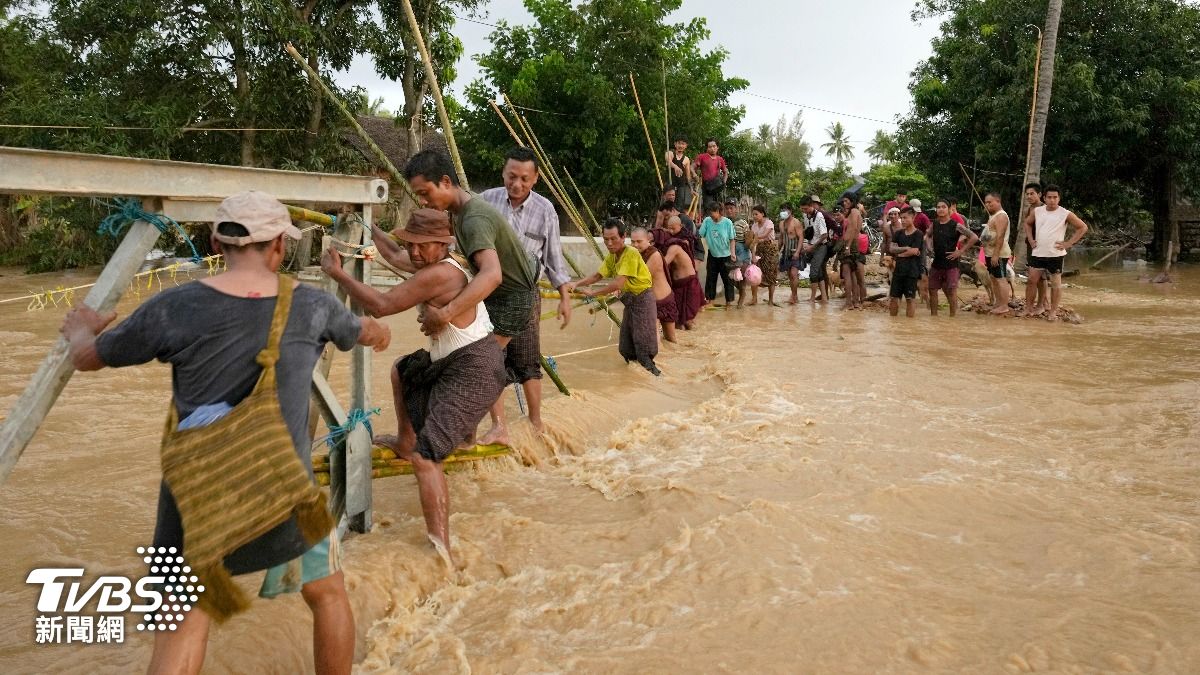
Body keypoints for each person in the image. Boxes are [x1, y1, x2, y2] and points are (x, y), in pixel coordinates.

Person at [61, 191, 392, 675]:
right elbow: (364, 331)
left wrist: (82, 328)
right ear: (280, 246)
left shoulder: (173, 307)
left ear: (217, 242)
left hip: (197, 502)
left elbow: (88, 358)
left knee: (183, 623)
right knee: (326, 595)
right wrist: (377, 332)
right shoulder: (312, 306)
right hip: (285, 493)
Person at [323, 209, 506, 564]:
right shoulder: (434, 261)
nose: (415, 253)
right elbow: (393, 255)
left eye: (423, 246)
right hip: (456, 361)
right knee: (404, 370)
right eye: (413, 245)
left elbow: (381, 304)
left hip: (474, 368)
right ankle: (409, 440)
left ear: (444, 244)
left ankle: (442, 551)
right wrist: (367, 225)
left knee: (427, 459)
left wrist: (337, 273)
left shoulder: (440, 273)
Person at [376, 150, 539, 448]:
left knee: (482, 363)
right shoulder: (457, 213)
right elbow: (405, 259)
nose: (423, 201)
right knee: (482, 361)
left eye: (425, 193)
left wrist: (447, 312)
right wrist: (371, 231)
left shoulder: (473, 217)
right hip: (496, 294)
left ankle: (495, 428)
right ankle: (471, 432)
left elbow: (491, 275)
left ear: (446, 182)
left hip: (510, 298)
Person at [478, 146, 573, 443]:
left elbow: (554, 259)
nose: (516, 185)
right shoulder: (485, 202)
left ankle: (536, 422)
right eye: (511, 177)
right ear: (503, 173)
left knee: (529, 361)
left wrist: (565, 297)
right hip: (490, 293)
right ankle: (499, 427)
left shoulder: (545, 210)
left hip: (527, 295)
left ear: (536, 179)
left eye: (524, 179)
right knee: (490, 357)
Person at [572, 219, 661, 374]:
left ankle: (656, 378)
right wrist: (575, 284)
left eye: (613, 239)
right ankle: (633, 385)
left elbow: (618, 284)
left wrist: (593, 294)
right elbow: (597, 276)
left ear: (623, 237)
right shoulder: (612, 256)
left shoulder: (631, 253)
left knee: (644, 350)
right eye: (606, 239)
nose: (609, 243)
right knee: (626, 348)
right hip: (630, 302)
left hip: (643, 301)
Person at [1020, 185, 1089, 321]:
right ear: (1044, 198)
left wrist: (1068, 243)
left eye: (1055, 197)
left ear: (1059, 198)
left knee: (1056, 284)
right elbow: (1027, 224)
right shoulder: (1037, 211)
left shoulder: (1065, 213)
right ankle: (1028, 308)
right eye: (1049, 197)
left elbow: (1082, 227)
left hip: (1056, 254)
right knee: (1031, 281)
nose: (1052, 200)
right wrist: (1031, 239)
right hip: (1038, 252)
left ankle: (1052, 312)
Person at [925, 197, 979, 316]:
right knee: (932, 290)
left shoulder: (956, 225)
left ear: (949, 209)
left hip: (951, 263)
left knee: (952, 291)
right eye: (938, 207)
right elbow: (927, 236)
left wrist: (960, 251)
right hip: (937, 262)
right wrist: (929, 248)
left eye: (943, 207)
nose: (940, 209)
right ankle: (934, 317)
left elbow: (974, 237)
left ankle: (952, 318)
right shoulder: (934, 224)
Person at [631, 226, 677, 343]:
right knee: (654, 339)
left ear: (648, 241)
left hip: (665, 300)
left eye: (639, 241)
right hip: (651, 303)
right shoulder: (635, 254)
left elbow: (640, 279)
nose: (635, 245)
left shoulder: (654, 255)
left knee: (671, 339)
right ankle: (658, 360)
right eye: (632, 241)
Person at [661, 215, 705, 330]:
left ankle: (693, 344)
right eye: (668, 229)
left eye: (673, 229)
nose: (671, 231)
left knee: (688, 321)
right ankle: (680, 346)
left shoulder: (680, 242)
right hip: (678, 286)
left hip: (688, 283)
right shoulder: (671, 241)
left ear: (680, 226)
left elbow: (663, 264)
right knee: (677, 321)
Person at [888, 205, 924, 317]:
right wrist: (905, 248)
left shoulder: (918, 234)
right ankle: (893, 322)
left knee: (910, 298)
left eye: (905, 218)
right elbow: (891, 249)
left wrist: (900, 254)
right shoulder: (898, 233)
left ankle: (910, 324)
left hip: (912, 271)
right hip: (898, 270)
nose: (902, 220)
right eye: (901, 218)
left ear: (913, 218)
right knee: (893, 298)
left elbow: (914, 251)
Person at [699, 200, 737, 306]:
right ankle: (710, 300)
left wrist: (733, 253)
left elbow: (732, 239)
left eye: (713, 213)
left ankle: (728, 302)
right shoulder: (707, 221)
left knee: (727, 280)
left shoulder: (727, 223)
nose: (711, 216)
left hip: (726, 256)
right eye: (709, 214)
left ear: (719, 211)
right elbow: (701, 234)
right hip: (713, 255)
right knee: (710, 279)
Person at [980, 191, 1012, 314]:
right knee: (993, 278)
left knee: (1001, 278)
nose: (987, 205)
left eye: (990, 202)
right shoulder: (993, 215)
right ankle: (998, 303)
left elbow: (1000, 236)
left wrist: (996, 254)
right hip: (989, 252)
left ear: (998, 201)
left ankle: (1004, 305)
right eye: (986, 202)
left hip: (998, 253)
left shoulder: (1001, 216)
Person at [1021, 182, 1048, 313]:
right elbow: (1027, 226)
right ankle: (1032, 305)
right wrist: (1031, 241)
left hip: (1042, 247)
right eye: (1027, 194)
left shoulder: (1045, 208)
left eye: (1032, 193)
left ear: (1040, 194)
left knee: (1040, 277)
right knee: (1034, 278)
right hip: (1031, 246)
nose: (1029, 196)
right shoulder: (1030, 209)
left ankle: (1041, 304)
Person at [837, 194, 866, 309]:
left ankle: (850, 302)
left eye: (847, 201)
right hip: (852, 244)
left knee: (848, 274)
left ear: (852, 201)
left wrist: (847, 246)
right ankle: (856, 302)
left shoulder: (854, 211)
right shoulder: (853, 212)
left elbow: (854, 228)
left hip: (850, 244)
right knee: (853, 275)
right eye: (844, 201)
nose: (845, 203)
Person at [800, 195, 830, 303]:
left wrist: (812, 246)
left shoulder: (820, 216)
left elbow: (824, 235)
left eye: (806, 208)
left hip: (821, 246)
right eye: (802, 209)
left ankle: (812, 298)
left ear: (812, 205)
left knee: (813, 272)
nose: (804, 211)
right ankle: (824, 298)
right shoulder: (805, 216)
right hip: (811, 245)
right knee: (819, 272)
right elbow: (808, 230)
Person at [749, 204, 778, 306]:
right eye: (753, 214)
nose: (754, 216)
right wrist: (753, 256)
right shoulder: (754, 226)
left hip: (770, 251)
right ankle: (754, 299)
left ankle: (770, 300)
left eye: (756, 214)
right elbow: (753, 243)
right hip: (758, 250)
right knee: (754, 275)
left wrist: (754, 238)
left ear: (762, 213)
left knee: (771, 275)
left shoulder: (769, 223)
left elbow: (765, 235)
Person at [725, 198, 752, 307]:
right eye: (727, 208)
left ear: (736, 209)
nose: (729, 210)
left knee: (741, 276)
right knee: (731, 277)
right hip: (729, 250)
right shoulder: (725, 222)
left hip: (742, 250)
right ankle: (740, 293)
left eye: (731, 208)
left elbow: (749, 238)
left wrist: (751, 252)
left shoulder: (742, 222)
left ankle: (742, 296)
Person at [777, 203, 804, 304]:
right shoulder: (781, 224)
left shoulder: (796, 222)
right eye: (782, 210)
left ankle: (794, 295)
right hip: (786, 252)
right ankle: (793, 294)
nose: (783, 212)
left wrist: (797, 252)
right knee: (789, 275)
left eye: (785, 210)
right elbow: (781, 237)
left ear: (790, 211)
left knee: (793, 274)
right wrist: (777, 250)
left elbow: (801, 237)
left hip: (795, 251)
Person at [694, 138, 729, 202]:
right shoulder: (702, 157)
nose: (712, 149)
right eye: (710, 147)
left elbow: (725, 171)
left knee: (719, 206)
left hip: (718, 186)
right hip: (707, 186)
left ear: (717, 147)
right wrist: (695, 175)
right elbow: (692, 167)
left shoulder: (720, 159)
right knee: (708, 207)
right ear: (707, 148)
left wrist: (724, 182)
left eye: (714, 146)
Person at [665, 136, 693, 211]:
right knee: (668, 205)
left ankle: (678, 221)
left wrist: (692, 189)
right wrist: (675, 167)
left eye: (683, 144)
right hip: (670, 184)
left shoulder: (686, 159)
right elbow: (669, 162)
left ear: (686, 146)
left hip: (681, 185)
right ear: (675, 144)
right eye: (679, 143)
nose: (681, 146)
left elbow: (688, 176)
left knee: (680, 206)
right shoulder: (670, 153)